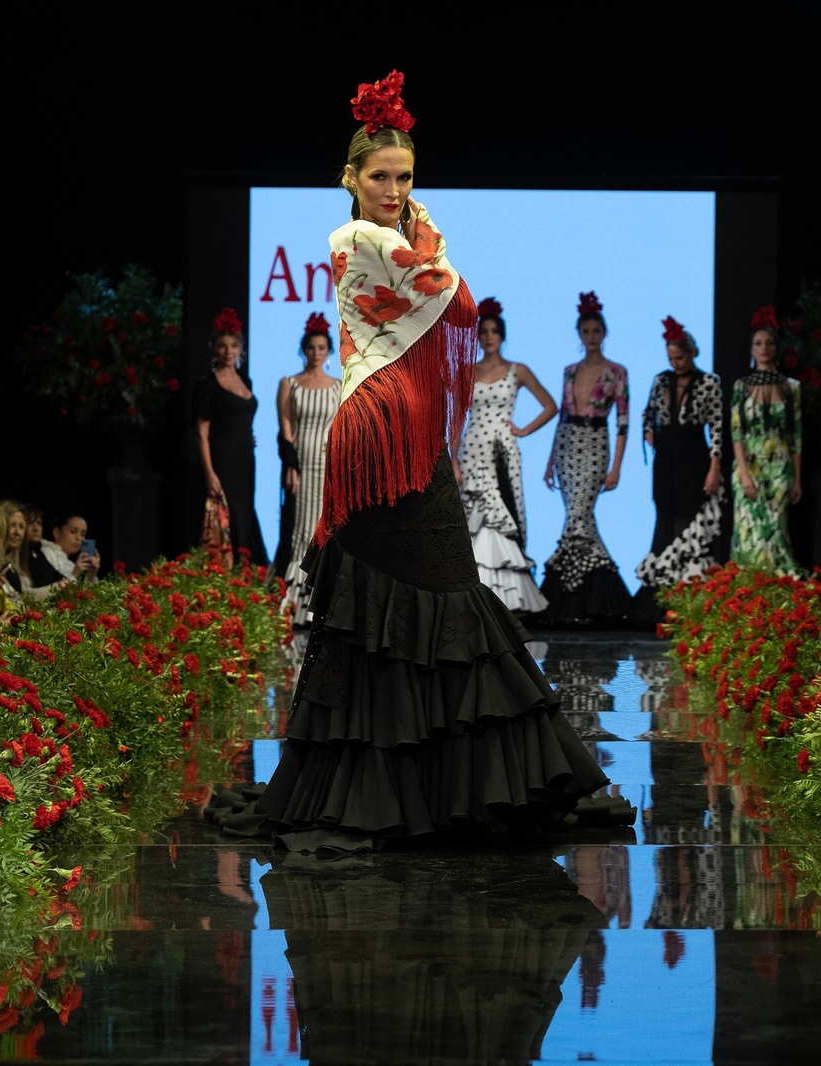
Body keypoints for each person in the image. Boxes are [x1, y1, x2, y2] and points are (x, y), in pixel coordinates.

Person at [207, 71, 616, 853]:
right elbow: (455, 297)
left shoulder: (394, 241)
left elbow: (451, 301)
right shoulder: (356, 238)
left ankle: (425, 785)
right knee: (422, 592)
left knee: (428, 591)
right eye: (380, 176)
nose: (393, 189)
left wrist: (427, 243)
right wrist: (430, 241)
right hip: (376, 424)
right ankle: (411, 788)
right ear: (351, 180)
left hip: (404, 426)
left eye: (404, 178)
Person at [538, 291, 634, 624]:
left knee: (579, 517)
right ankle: (597, 602)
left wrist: (616, 467)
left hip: (596, 441)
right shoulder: (569, 371)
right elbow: (563, 415)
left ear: (604, 333)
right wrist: (550, 461)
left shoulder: (617, 373)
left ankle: (562, 599)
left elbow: (623, 422)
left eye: (596, 331)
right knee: (580, 521)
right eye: (586, 331)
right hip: (567, 444)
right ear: (580, 334)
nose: (591, 337)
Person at [457, 296, 554, 614]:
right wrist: (453, 457)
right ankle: (472, 594)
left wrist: (524, 430)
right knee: (473, 518)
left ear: (502, 335)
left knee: (502, 517)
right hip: (472, 450)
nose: (488, 336)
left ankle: (508, 599)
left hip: (502, 453)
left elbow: (550, 405)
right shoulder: (467, 371)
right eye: (483, 331)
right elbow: (455, 416)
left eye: (494, 331)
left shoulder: (518, 370)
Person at [633, 314, 724, 619]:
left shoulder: (709, 382)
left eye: (680, 357)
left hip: (694, 457)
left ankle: (691, 598)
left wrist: (714, 467)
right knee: (665, 517)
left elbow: (718, 427)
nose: (676, 363)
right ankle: (659, 602)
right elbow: (647, 413)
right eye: (671, 358)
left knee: (689, 517)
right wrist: (649, 432)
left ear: (692, 352)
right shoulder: (661, 380)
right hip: (666, 459)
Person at [274, 313, 342, 625]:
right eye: (311, 348)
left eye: (321, 347)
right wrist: (291, 467)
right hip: (301, 464)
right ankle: (294, 609)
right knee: (301, 529)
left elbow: (342, 427)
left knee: (324, 528)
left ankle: (321, 606)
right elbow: (285, 429)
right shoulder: (289, 384)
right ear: (304, 350)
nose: (316, 353)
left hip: (328, 466)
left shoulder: (338, 387)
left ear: (329, 351)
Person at [194, 309, 270, 567]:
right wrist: (209, 473)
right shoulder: (208, 383)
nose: (228, 350)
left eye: (233, 345)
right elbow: (202, 433)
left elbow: (240, 417)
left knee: (245, 516)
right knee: (228, 518)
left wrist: (249, 436)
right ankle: (228, 579)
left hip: (245, 462)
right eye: (222, 345)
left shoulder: (245, 379)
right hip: (222, 461)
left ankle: (246, 579)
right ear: (214, 349)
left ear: (241, 349)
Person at [729, 306, 802, 574]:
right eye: (758, 343)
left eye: (770, 343)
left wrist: (797, 478)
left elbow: (796, 435)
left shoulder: (791, 387)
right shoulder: (741, 387)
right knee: (749, 529)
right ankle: (749, 592)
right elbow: (736, 433)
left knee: (775, 530)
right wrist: (744, 475)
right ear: (751, 349)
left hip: (780, 464)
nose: (764, 348)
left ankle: (775, 592)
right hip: (749, 464)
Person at [29, 510, 99, 588]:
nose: (79, 538)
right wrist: (74, 574)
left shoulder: (71, 564)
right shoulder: (46, 553)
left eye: (83, 534)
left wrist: (91, 575)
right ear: (57, 532)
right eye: (73, 531)